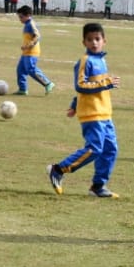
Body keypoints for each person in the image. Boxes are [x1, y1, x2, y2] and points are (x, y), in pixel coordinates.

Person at [47, 22, 120, 197]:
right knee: (95, 148)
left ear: (104, 41)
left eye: (97, 39)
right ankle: (58, 169)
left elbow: (88, 88)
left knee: (110, 150)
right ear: (84, 42)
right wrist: (106, 83)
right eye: (90, 39)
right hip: (92, 114)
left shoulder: (101, 60)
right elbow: (80, 85)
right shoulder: (85, 61)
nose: (94, 43)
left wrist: (74, 104)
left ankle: (98, 186)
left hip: (105, 113)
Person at [13, 5, 56, 96]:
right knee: (20, 70)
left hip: (32, 52)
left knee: (31, 69)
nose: (20, 19)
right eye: (19, 17)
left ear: (28, 15)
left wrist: (30, 45)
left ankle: (48, 83)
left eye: (21, 17)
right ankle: (23, 89)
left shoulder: (31, 24)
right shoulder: (27, 24)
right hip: (26, 52)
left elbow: (37, 36)